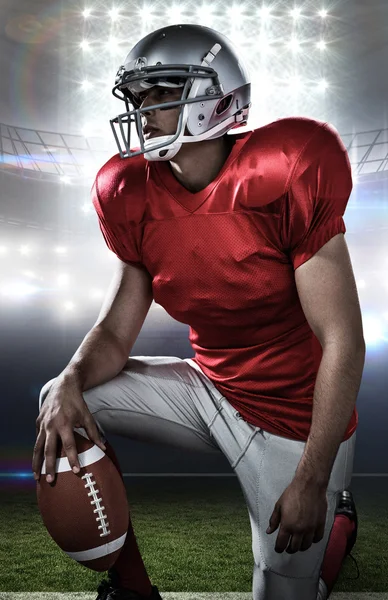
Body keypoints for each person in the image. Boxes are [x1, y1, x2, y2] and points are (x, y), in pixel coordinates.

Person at [32, 24, 365, 600]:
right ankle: (133, 589)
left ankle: (335, 534)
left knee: (286, 589)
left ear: (218, 98)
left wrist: (312, 477)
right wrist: (70, 378)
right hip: (209, 388)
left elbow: (343, 341)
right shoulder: (128, 191)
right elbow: (116, 330)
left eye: (163, 93)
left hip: (295, 416)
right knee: (62, 399)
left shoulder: (286, 169)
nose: (145, 111)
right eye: (141, 97)